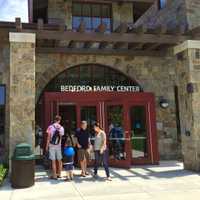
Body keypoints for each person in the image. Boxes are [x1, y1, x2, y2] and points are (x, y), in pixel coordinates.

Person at [46, 115, 64, 180]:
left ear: (54, 120)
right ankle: (59, 174)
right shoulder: (61, 128)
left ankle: (54, 175)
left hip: (52, 146)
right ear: (59, 120)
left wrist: (47, 146)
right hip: (58, 146)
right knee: (59, 160)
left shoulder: (50, 127)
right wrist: (59, 144)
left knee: (53, 161)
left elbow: (48, 138)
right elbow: (61, 138)